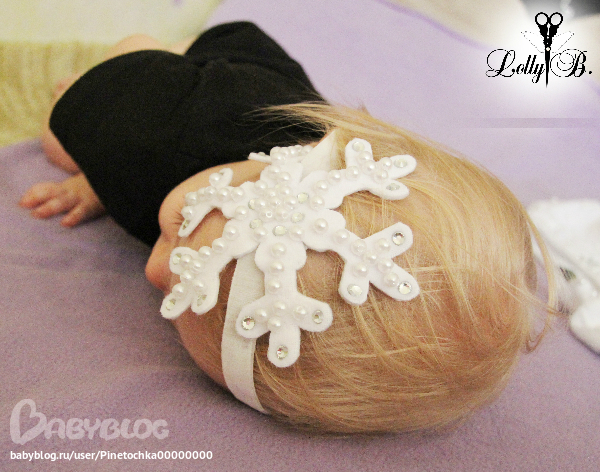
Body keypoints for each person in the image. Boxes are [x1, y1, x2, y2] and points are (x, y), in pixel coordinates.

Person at [19, 22, 556, 434]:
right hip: (222, 69)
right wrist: (98, 163)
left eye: (175, 304)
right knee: (61, 138)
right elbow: (114, 68)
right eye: (182, 235)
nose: (155, 271)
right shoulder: (160, 132)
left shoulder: (210, 214)